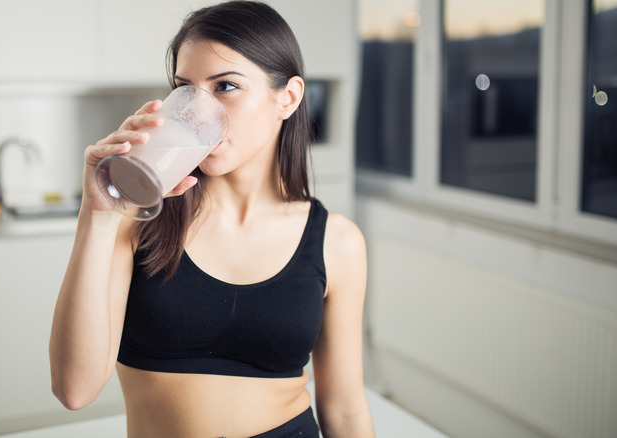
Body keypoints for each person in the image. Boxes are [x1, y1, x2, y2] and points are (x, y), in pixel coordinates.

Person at [49, 1, 375, 437]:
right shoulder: (137, 221)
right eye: (187, 89)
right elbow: (74, 390)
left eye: (225, 87)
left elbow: (346, 409)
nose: (200, 112)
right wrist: (97, 215)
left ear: (288, 98)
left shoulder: (337, 242)